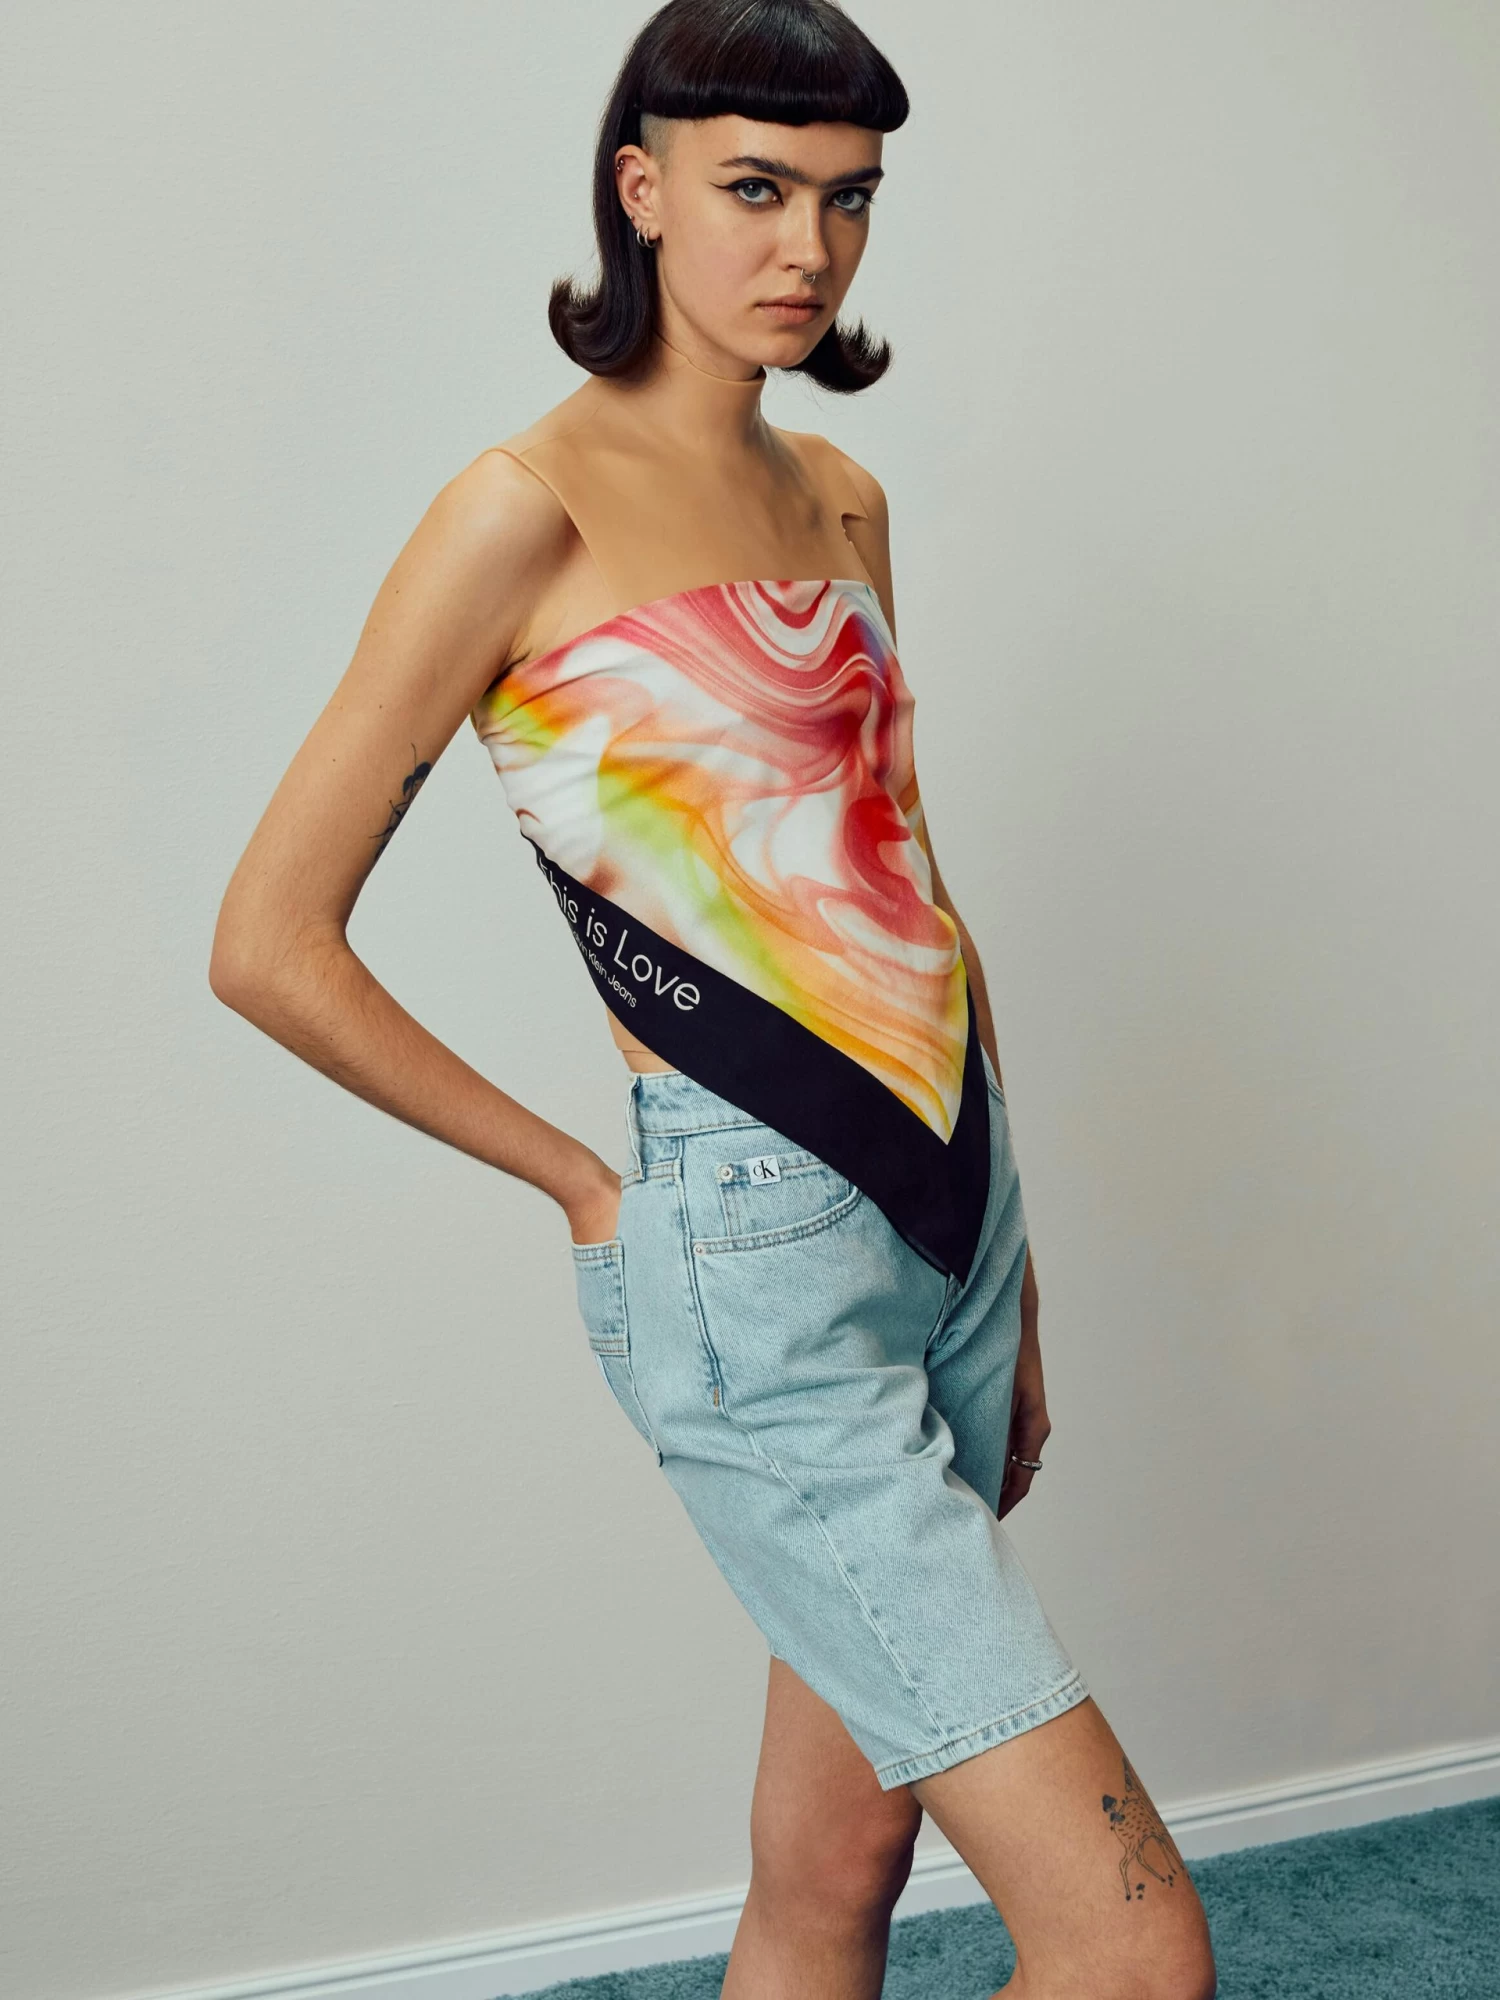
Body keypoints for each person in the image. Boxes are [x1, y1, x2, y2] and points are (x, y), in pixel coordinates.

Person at [210, 3, 1217, 1995]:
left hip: (951, 1209)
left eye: (849, 200)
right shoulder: (523, 510)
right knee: (1132, 1946)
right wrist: (591, 1188)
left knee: (830, 1870)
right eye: (757, 188)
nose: (807, 248)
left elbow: (907, 880)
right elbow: (271, 941)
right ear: (642, 188)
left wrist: (1006, 1273)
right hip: (752, 1257)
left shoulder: (842, 498)